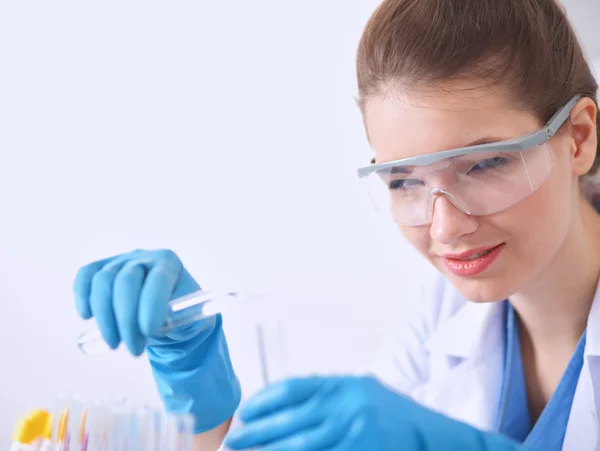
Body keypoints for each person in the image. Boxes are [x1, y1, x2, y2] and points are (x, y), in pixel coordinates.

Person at [73, 0, 600, 449]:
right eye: (403, 181)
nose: (445, 228)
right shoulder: (442, 316)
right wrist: (198, 386)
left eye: (485, 164)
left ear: (577, 138)